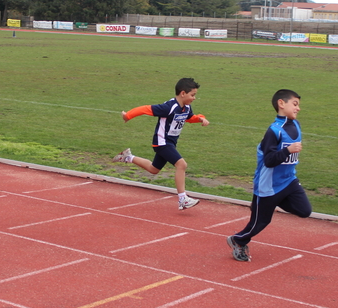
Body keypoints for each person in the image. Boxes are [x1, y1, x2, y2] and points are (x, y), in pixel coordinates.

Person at [227, 89, 312, 262]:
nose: (298, 109)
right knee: (259, 223)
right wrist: (288, 150)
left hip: (289, 181)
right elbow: (269, 160)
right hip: (268, 187)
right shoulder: (274, 131)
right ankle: (238, 240)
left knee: (305, 210)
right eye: (295, 104)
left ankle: (276, 201)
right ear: (281, 104)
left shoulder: (296, 125)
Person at [112, 77, 210, 210]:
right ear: (183, 93)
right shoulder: (168, 107)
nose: (194, 98)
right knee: (181, 164)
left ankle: (128, 157)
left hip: (170, 143)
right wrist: (128, 115)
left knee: (154, 169)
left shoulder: (186, 107)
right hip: (162, 142)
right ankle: (183, 199)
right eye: (192, 95)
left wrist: (200, 119)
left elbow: (189, 118)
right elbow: (146, 109)